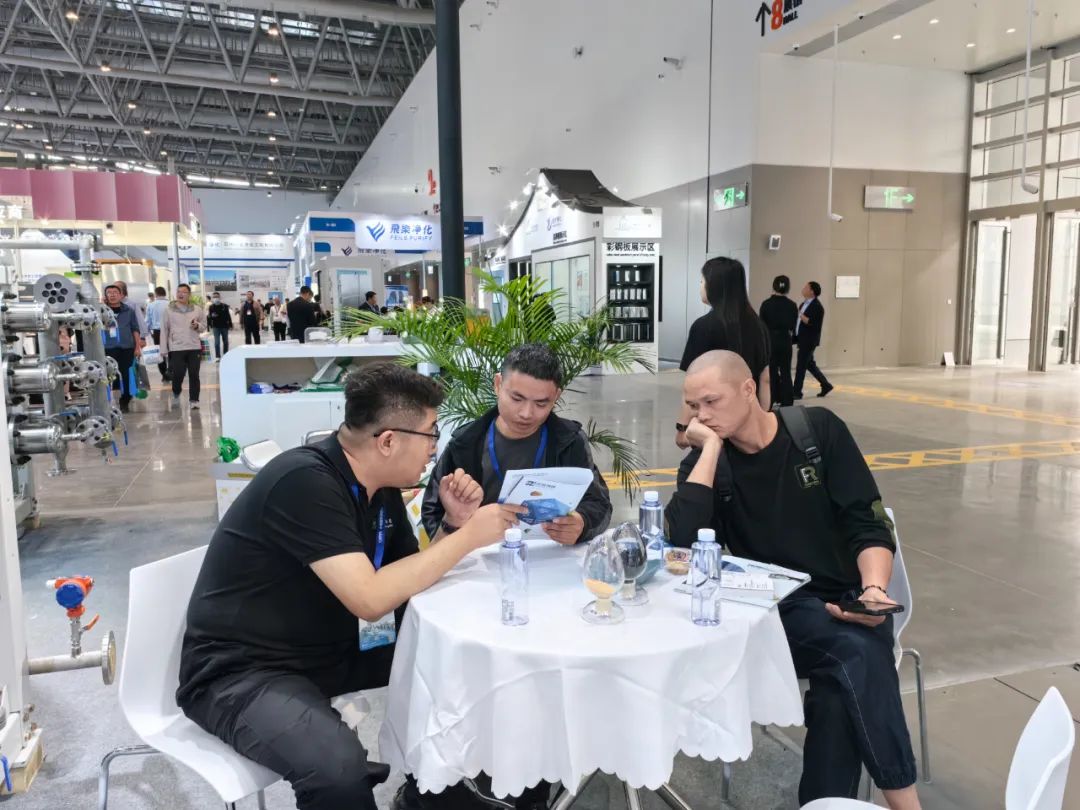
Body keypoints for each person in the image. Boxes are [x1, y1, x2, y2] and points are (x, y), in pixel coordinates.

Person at [176, 363, 525, 810]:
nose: (434, 449)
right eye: (431, 434)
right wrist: (472, 535)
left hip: (324, 646)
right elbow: (370, 599)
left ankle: (434, 791)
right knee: (338, 772)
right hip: (240, 671)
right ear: (388, 441)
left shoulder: (379, 488)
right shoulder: (304, 481)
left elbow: (404, 579)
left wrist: (453, 526)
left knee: (450, 658)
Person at [665, 350, 921, 810]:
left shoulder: (817, 433)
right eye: (693, 406)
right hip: (774, 612)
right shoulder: (709, 463)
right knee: (857, 652)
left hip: (849, 600)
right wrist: (710, 451)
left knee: (838, 690)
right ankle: (907, 803)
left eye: (711, 402)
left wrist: (873, 590)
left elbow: (866, 521)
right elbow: (681, 546)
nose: (701, 416)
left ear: (748, 390)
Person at [423, 343, 612, 548]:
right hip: (480, 558)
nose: (526, 413)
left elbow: (599, 504)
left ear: (556, 396)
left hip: (550, 555)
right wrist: (458, 527)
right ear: (497, 384)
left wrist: (582, 524)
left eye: (541, 404)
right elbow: (433, 511)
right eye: (516, 398)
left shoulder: (568, 441)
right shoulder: (465, 443)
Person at [676, 257, 770, 448]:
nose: (700, 286)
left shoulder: (703, 327)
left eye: (702, 281)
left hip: (712, 425)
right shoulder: (759, 326)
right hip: (746, 424)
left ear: (714, 285)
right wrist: (762, 419)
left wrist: (682, 428)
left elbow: (693, 387)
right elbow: (765, 379)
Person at [160, 283, 207, 410]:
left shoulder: (197, 309)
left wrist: (197, 326)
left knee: (194, 374)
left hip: (194, 346)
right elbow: (164, 330)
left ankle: (194, 400)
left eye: (184, 292)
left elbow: (204, 326)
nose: (180, 294)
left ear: (189, 294)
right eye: (178, 291)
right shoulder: (168, 310)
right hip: (177, 347)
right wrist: (163, 348)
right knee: (178, 374)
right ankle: (176, 392)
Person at [759, 274, 799, 408]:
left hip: (770, 340)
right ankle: (787, 400)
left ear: (774, 286)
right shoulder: (792, 305)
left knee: (771, 371)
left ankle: (771, 398)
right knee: (786, 371)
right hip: (785, 340)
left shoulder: (766, 304)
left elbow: (762, 325)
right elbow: (793, 326)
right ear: (788, 288)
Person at [101, 284, 141, 413]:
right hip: (107, 348)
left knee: (126, 374)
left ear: (121, 295)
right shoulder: (101, 311)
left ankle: (125, 400)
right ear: (105, 295)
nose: (112, 295)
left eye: (115, 292)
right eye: (109, 292)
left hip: (126, 348)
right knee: (108, 375)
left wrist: (137, 347)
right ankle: (106, 402)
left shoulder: (129, 311)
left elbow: (135, 329)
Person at [794, 280, 833, 399]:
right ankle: (826, 385)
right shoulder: (803, 304)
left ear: (812, 291)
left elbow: (812, 323)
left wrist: (800, 315)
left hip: (809, 340)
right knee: (809, 364)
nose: (803, 288)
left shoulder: (817, 307)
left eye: (806, 287)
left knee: (801, 366)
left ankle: (797, 392)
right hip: (802, 338)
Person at [145, 285, 171, 383]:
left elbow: (147, 321)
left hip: (157, 332)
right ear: (165, 293)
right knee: (172, 351)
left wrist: (146, 333)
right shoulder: (171, 304)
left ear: (156, 294)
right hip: (170, 331)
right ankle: (171, 371)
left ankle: (164, 374)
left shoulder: (151, 305)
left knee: (160, 354)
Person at [207, 292, 233, 360]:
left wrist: (230, 324)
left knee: (226, 341)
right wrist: (210, 323)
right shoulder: (211, 307)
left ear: (220, 297)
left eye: (217, 297)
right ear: (213, 298)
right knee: (217, 342)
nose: (216, 298)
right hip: (216, 327)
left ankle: (226, 354)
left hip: (224, 326)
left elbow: (228, 316)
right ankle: (218, 356)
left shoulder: (225, 306)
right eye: (214, 297)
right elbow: (209, 317)